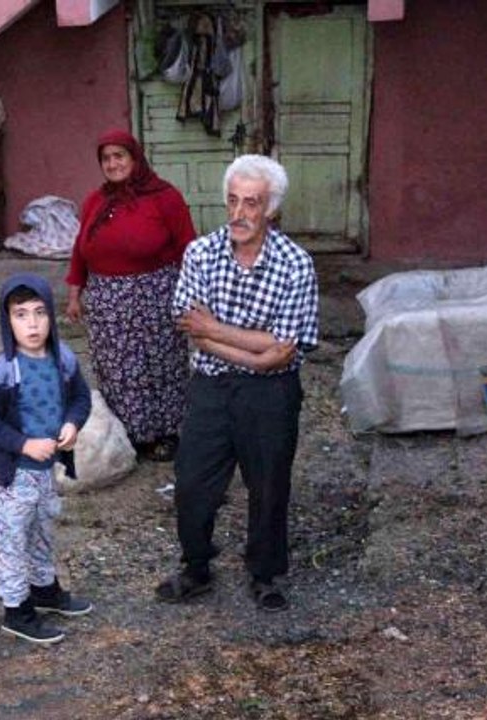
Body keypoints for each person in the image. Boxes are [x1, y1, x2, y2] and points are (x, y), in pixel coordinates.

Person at [155, 154, 319, 612]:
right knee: (192, 481)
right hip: (211, 385)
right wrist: (252, 351)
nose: (239, 214)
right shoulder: (201, 253)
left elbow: (284, 352)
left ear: (271, 209)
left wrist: (217, 333)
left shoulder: (295, 264)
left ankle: (265, 574)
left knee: (268, 484)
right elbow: (192, 326)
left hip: (272, 394)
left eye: (252, 203)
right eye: (233, 201)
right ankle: (196, 567)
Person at [0, 273, 94, 645]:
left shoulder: (64, 360)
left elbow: (81, 399)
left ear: (52, 317)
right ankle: (16, 610)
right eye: (21, 315)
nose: (33, 324)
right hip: (12, 474)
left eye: (40, 313)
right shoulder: (3, 371)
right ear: (7, 321)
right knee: (11, 539)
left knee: (42, 529)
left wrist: (73, 424)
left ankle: (44, 588)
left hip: (45, 472)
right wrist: (23, 444)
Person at [65, 129, 196, 462]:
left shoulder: (165, 197)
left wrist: (195, 297)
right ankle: (127, 433)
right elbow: (81, 251)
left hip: (154, 295)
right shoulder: (96, 200)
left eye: (119, 156)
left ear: (135, 158)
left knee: (158, 365)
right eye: (106, 158)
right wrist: (74, 294)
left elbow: (188, 249)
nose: (112, 163)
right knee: (116, 367)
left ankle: (163, 433)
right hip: (107, 299)